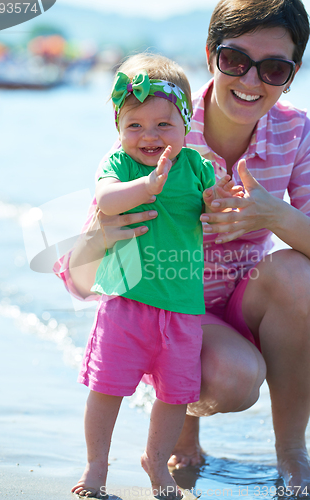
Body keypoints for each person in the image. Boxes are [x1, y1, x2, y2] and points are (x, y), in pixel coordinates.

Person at [54, 0, 310, 494]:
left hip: (242, 301)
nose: (252, 81)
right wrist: (100, 238)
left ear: (292, 74)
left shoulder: (296, 131)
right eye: (236, 60)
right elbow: (79, 277)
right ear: (211, 54)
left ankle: (292, 452)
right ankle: (179, 434)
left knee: (299, 278)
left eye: (274, 68)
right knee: (235, 380)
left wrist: (274, 214)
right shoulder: (157, 126)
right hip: (164, 305)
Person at [67, 54, 244, 499]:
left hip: (182, 311)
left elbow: (213, 205)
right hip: (126, 304)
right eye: (135, 125)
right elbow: (106, 200)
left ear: (186, 125)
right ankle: (95, 468)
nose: (148, 135)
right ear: (119, 128)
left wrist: (222, 199)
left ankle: (156, 462)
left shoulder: (196, 166)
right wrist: (146, 187)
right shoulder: (121, 166)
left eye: (163, 125)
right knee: (107, 390)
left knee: (174, 395)